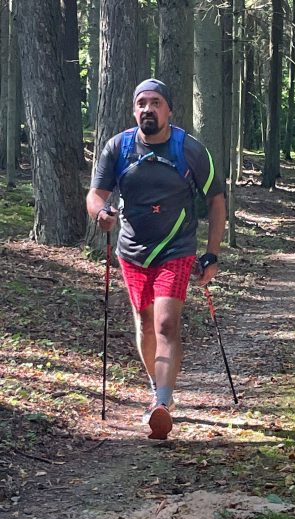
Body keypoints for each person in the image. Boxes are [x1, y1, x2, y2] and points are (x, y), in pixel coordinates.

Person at [86, 78, 226, 440]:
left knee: (165, 324)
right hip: (132, 252)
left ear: (169, 110)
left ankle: (162, 404)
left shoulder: (189, 149)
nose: (148, 108)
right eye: (142, 103)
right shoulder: (118, 147)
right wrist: (101, 213)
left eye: (156, 102)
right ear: (134, 111)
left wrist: (212, 253)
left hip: (176, 249)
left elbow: (216, 200)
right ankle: (157, 390)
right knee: (145, 325)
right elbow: (95, 194)